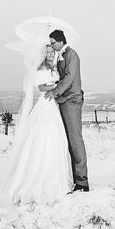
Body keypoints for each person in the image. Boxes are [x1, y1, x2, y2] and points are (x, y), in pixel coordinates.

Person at [0, 45, 73, 203]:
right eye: (48, 52)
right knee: (43, 137)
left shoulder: (53, 67)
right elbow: (41, 87)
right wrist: (57, 85)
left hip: (54, 104)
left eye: (52, 52)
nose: (51, 54)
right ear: (43, 54)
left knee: (56, 138)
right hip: (45, 103)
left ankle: (55, 178)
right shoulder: (41, 69)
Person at [43, 29, 89, 193]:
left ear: (60, 41)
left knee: (75, 141)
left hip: (72, 101)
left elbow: (69, 78)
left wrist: (54, 92)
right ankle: (73, 178)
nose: (52, 45)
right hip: (63, 101)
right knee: (67, 141)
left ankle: (82, 182)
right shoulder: (61, 55)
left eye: (53, 42)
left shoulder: (71, 55)